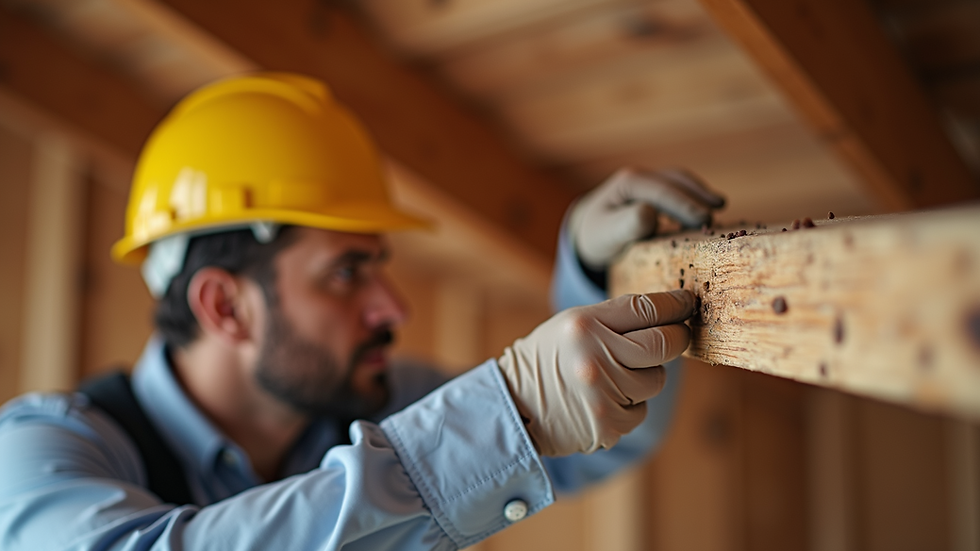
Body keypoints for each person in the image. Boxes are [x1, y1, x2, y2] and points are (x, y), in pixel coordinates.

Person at [0, 73, 724, 550]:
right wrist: (506, 419)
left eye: (379, 265)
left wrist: (592, 276)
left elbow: (612, 440)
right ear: (226, 305)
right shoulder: (39, 454)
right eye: (347, 273)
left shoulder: (375, 403)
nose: (392, 306)